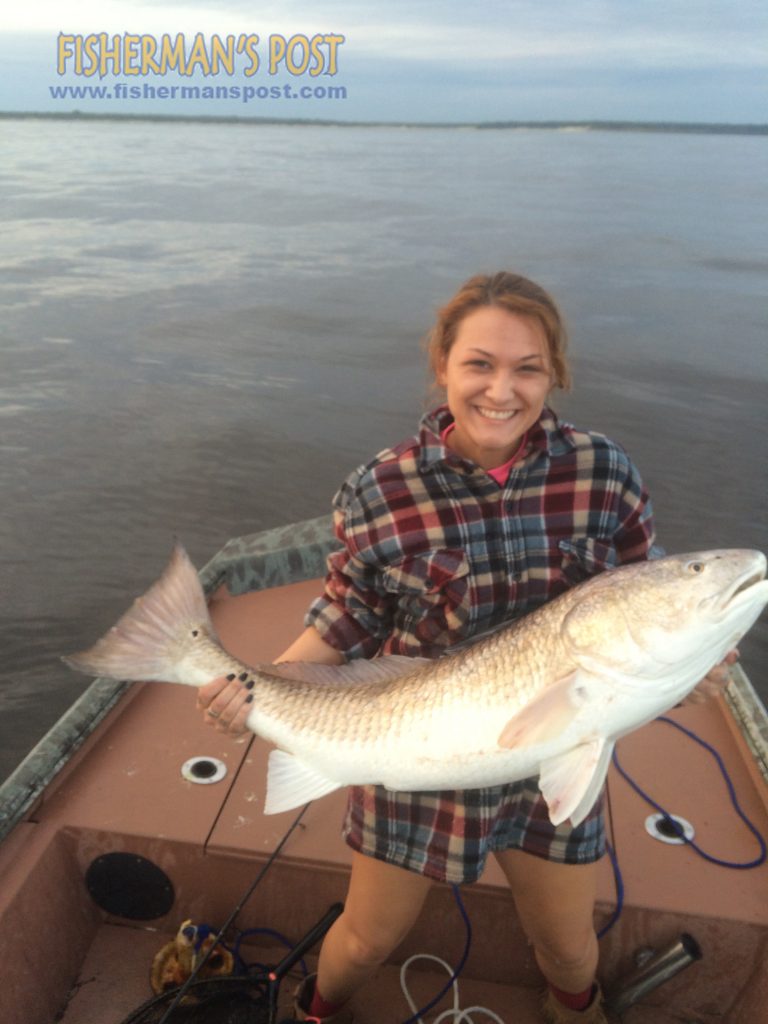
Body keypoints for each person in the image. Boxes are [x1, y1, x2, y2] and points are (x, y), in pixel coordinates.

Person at [197, 271, 733, 1023]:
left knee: (572, 949)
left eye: (528, 368)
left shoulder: (603, 473)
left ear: (555, 374)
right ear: (442, 365)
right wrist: (257, 685)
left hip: (559, 745)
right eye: (479, 363)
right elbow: (349, 611)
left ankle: (576, 1010)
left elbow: (641, 593)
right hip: (412, 741)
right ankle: (316, 1013)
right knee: (365, 939)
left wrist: (695, 666)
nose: (501, 390)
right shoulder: (379, 488)